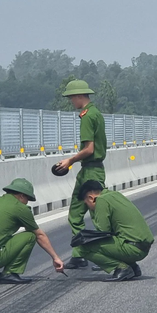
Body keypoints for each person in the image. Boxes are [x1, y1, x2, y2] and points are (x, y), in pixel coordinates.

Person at [0, 179, 65, 284]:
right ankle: (10, 273)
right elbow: (40, 235)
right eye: (27, 199)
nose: (27, 202)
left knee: (0, 235)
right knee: (30, 236)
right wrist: (55, 258)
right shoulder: (20, 209)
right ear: (22, 196)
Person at [53, 79, 107, 269]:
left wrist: (70, 161)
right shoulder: (96, 113)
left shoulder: (87, 116)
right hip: (92, 170)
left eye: (71, 98)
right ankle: (80, 254)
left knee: (95, 216)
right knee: (79, 214)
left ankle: (105, 254)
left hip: (91, 170)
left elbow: (89, 149)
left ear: (78, 96)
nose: (71, 102)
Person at [73, 181, 154, 282]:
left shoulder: (101, 201)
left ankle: (122, 268)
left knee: (82, 248)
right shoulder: (115, 195)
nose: (88, 207)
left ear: (90, 198)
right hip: (142, 247)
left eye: (87, 203)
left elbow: (102, 232)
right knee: (115, 237)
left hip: (133, 249)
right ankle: (132, 266)